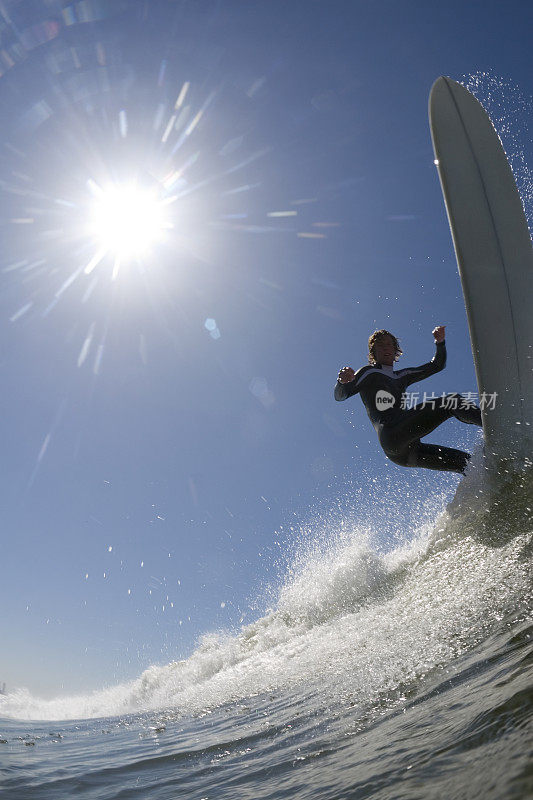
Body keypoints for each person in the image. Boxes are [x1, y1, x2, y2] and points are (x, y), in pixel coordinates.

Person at [334, 326, 482, 474]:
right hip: (392, 434)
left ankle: (488, 481)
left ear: (395, 350)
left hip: (405, 453)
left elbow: (437, 365)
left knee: (470, 463)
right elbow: (341, 395)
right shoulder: (369, 372)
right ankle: (494, 424)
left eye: (389, 345)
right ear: (373, 352)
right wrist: (341, 382)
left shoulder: (402, 376)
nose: (385, 348)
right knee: (452, 401)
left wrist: (440, 342)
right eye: (380, 345)